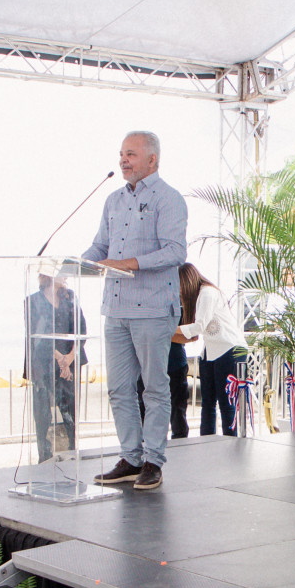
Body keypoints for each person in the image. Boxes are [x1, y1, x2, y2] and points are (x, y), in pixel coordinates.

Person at [82, 130, 187, 491]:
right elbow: (100, 247)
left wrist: (129, 263)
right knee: (119, 389)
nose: (123, 160)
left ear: (152, 160)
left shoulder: (168, 198)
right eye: (121, 154)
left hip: (153, 309)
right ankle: (131, 458)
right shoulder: (113, 200)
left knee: (154, 389)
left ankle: (153, 461)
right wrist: (76, 264)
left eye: (131, 154)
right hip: (115, 309)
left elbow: (175, 251)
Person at [178, 264, 247, 436]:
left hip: (229, 349)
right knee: (208, 403)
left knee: (226, 403)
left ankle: (230, 445)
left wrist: (168, 329)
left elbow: (199, 326)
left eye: (178, 285)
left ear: (186, 282)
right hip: (211, 351)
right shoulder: (200, 295)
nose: (178, 291)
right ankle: (207, 444)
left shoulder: (207, 293)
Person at [24, 273, 86, 462]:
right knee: (43, 414)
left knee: (69, 411)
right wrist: (60, 358)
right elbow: (36, 334)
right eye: (61, 272)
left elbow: (81, 329)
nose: (66, 275)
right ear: (49, 275)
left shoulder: (70, 297)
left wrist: (70, 357)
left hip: (70, 363)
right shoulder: (32, 301)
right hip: (43, 364)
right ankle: (45, 457)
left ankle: (69, 454)